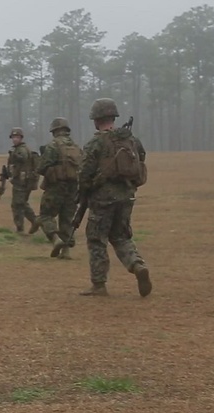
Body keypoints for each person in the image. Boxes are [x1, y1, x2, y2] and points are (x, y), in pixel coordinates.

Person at [77, 98, 152, 297]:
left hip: (103, 198)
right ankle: (137, 265)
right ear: (113, 117)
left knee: (96, 239)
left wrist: (85, 189)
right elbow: (141, 157)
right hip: (127, 195)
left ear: (96, 120)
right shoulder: (130, 139)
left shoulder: (96, 142)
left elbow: (84, 172)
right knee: (121, 236)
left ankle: (99, 284)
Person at [36, 117, 81, 259]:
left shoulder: (53, 145)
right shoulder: (76, 147)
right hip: (73, 187)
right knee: (67, 218)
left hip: (56, 186)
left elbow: (41, 167)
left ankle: (56, 239)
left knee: (45, 215)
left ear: (54, 131)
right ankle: (66, 251)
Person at [3, 127, 39, 234]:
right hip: (19, 180)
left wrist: (13, 154)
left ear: (21, 138)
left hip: (22, 182)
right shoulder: (17, 149)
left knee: (18, 204)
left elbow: (23, 158)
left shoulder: (21, 149)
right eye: (13, 137)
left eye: (17, 137)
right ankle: (32, 222)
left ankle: (24, 226)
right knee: (21, 203)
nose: (15, 139)